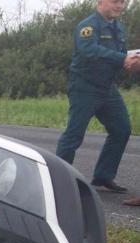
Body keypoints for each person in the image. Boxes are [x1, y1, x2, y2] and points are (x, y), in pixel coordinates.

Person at [55, 0, 140, 195]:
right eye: (115, 2)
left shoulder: (118, 27)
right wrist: (121, 59)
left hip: (107, 89)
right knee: (74, 135)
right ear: (101, 2)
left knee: (122, 129)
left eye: (123, 2)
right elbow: (89, 51)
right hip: (84, 88)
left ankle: (103, 176)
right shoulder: (88, 26)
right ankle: (59, 179)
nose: (120, 6)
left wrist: (131, 62)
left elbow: (118, 56)